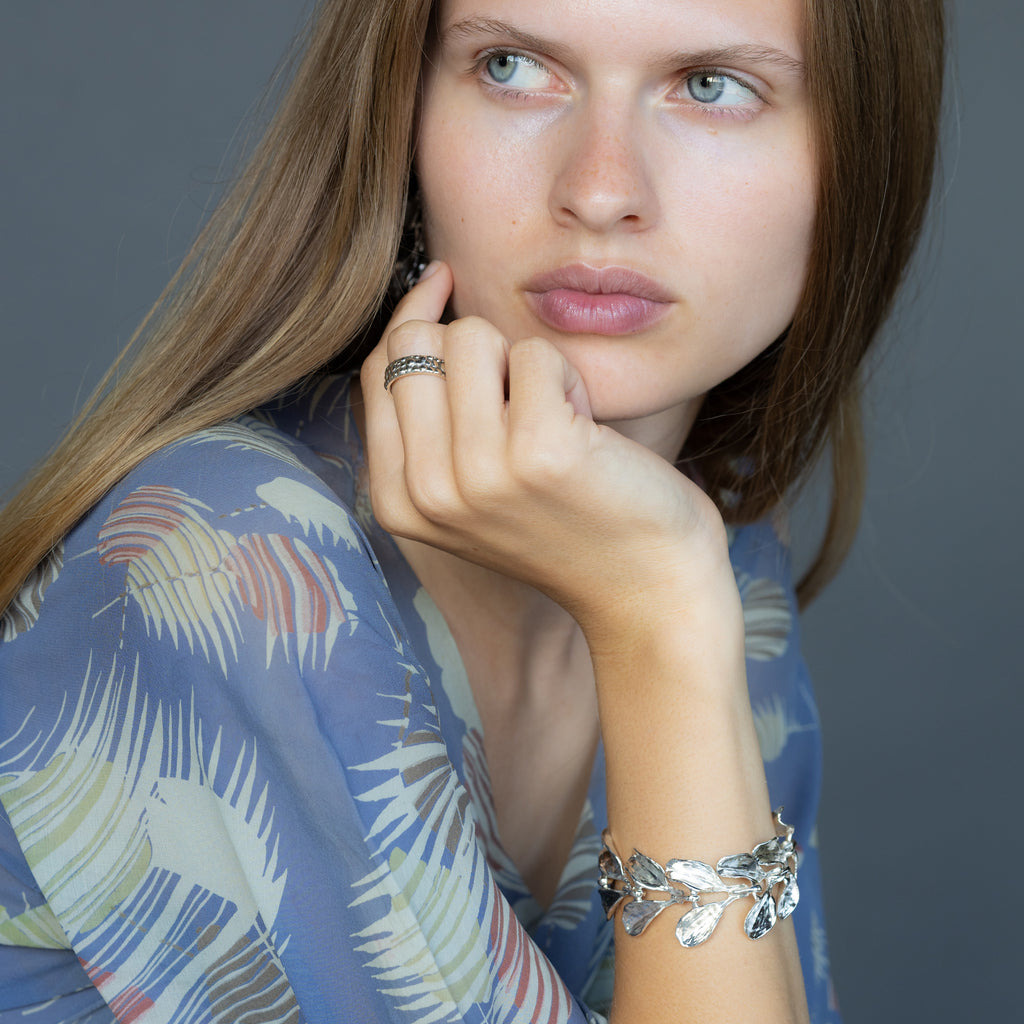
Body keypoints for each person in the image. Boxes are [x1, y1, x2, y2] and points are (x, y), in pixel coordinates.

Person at [0, 0, 943, 1020]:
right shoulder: (226, 567)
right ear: (400, 118)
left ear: (861, 155)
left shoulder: (696, 551)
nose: (600, 189)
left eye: (711, 86)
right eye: (510, 67)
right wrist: (662, 618)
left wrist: (665, 606)